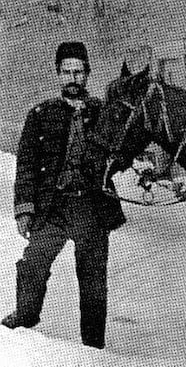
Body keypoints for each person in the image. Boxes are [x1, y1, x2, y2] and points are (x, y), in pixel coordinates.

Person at [1, 42, 125, 349]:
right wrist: (24, 209)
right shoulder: (41, 115)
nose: (73, 77)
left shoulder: (102, 113)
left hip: (91, 206)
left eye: (78, 72)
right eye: (67, 71)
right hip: (52, 206)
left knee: (93, 278)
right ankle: (24, 322)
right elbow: (27, 164)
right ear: (58, 75)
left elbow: (121, 151)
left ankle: (93, 346)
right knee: (32, 264)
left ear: (87, 74)